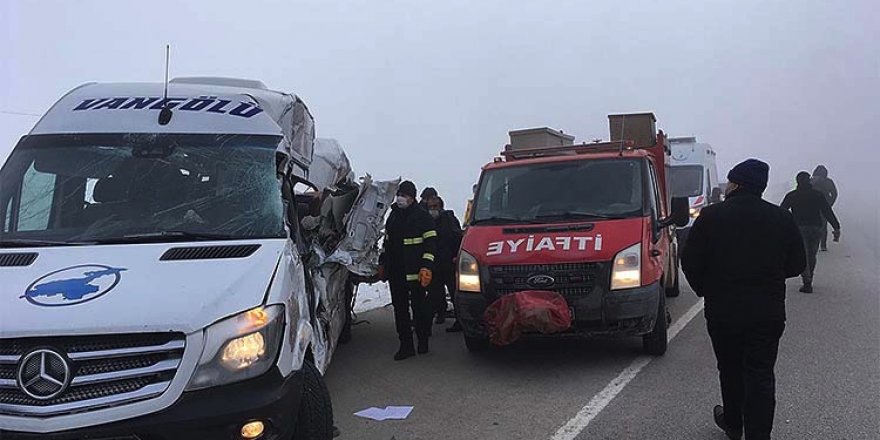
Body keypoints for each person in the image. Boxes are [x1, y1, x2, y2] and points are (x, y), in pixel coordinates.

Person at [683, 159, 806, 440]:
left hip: (723, 310)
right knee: (761, 373)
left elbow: (690, 261)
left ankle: (734, 424)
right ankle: (759, 434)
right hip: (767, 311)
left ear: (736, 184)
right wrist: (771, 276)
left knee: (729, 367)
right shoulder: (781, 218)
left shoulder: (711, 217)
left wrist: (706, 288)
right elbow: (797, 263)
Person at [379, 181, 437, 360]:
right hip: (396, 274)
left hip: (417, 274)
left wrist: (426, 267)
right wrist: (383, 263)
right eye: (400, 194)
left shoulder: (422, 217)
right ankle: (406, 345)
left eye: (405, 195)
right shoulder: (393, 216)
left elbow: (431, 244)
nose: (401, 198)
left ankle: (423, 340)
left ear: (412, 198)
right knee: (400, 311)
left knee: (420, 309)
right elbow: (386, 243)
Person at [781, 172, 841, 293]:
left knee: (803, 255)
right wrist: (836, 227)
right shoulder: (817, 195)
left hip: (799, 228)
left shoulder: (792, 195)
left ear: (797, 181)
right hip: (816, 228)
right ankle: (809, 278)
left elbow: (782, 212)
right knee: (811, 255)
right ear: (809, 181)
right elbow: (827, 212)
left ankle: (806, 281)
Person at [424, 196, 464, 328]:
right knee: (436, 293)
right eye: (430, 207)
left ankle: (460, 320)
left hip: (448, 262)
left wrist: (456, 255)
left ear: (441, 207)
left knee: (454, 292)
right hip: (434, 263)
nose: (432, 210)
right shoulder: (427, 221)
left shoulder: (449, 220)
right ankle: (440, 313)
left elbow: (458, 237)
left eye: (435, 207)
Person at [810, 165, 839, 251]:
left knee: (812, 224)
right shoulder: (829, 182)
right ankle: (823, 245)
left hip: (811, 206)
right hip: (824, 206)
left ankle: (812, 243)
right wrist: (830, 204)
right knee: (823, 225)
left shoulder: (811, 180)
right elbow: (834, 194)